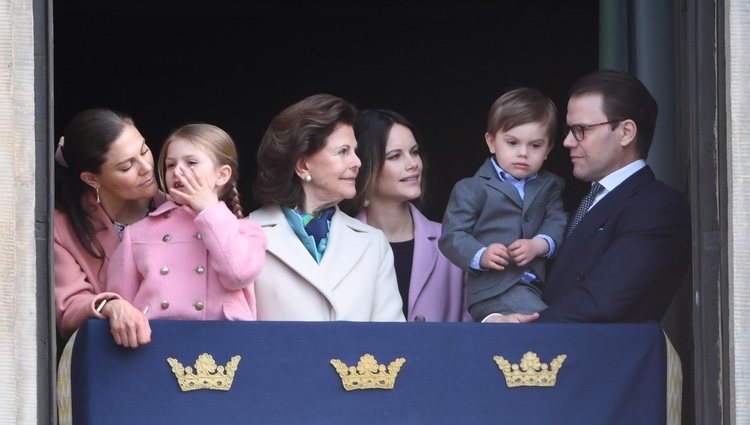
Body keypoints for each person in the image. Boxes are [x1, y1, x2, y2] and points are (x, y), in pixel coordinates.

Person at [502, 69, 691, 323]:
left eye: (581, 129)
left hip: (603, 359)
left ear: (625, 132)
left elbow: (602, 301)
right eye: (570, 130)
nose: (568, 141)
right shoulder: (582, 201)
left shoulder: (655, 206)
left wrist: (525, 328)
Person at [249, 94, 404, 321]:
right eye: (342, 151)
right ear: (302, 165)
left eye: (354, 151)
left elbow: (392, 339)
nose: (357, 162)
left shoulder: (373, 243)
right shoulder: (245, 236)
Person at [106, 123, 266, 328]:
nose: (178, 170)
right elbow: (122, 313)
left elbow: (237, 275)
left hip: (226, 349)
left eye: (191, 162)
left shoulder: (246, 231)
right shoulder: (137, 234)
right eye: (171, 164)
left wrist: (210, 211)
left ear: (222, 175)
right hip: (158, 346)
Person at [439, 87, 567, 322]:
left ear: (548, 149)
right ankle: (495, 320)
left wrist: (537, 245)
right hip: (492, 289)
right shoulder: (471, 187)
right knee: (549, 325)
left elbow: (557, 221)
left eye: (535, 146)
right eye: (512, 142)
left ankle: (498, 324)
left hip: (535, 288)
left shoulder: (550, 186)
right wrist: (481, 254)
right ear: (491, 142)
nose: (523, 153)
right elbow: (452, 235)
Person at [343, 109, 470, 322]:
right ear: (364, 165)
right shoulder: (340, 243)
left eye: (414, 151)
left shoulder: (454, 241)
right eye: (395, 156)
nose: (413, 164)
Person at [54, 108, 165, 348]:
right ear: (92, 179)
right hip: (109, 356)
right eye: (127, 166)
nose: (146, 167)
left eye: (144, 150)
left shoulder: (174, 208)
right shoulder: (62, 227)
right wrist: (111, 306)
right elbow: (69, 307)